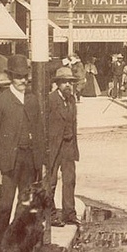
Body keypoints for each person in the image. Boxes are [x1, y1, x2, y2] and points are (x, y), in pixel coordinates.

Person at [0, 54, 45, 243]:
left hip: (28, 161)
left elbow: (40, 133)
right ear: (11, 77)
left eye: (25, 76)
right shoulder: (0, 102)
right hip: (8, 163)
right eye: (18, 77)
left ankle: (19, 244)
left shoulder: (32, 100)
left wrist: (41, 163)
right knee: (5, 205)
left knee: (25, 205)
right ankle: (1, 245)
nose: (23, 80)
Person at [47, 66, 81, 227]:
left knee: (69, 180)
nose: (68, 85)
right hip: (54, 146)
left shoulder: (72, 99)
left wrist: (74, 146)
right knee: (51, 181)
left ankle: (69, 213)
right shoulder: (50, 100)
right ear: (58, 84)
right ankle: (51, 215)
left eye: (70, 82)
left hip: (68, 145)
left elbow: (73, 124)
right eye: (64, 82)